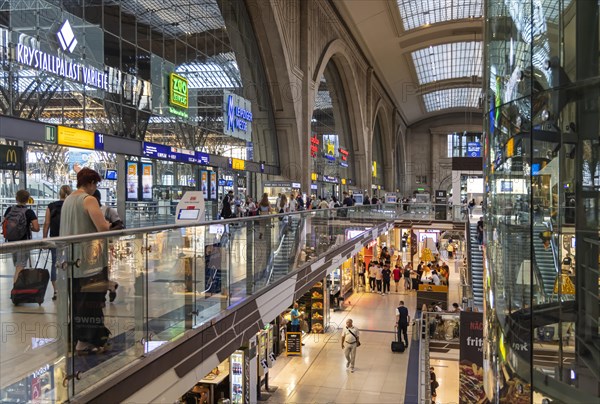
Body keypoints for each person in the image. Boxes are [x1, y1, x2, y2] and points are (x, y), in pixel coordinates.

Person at [60, 168, 111, 354]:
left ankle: (78, 338)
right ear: (90, 183)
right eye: (95, 183)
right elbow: (103, 227)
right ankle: (86, 340)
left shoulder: (68, 200)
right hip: (90, 261)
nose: (94, 187)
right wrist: (112, 225)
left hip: (71, 261)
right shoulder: (89, 200)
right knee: (93, 302)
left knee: (77, 302)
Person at [3, 189, 40, 283]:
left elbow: (4, 223)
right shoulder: (29, 212)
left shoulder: (9, 210)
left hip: (11, 241)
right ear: (28, 199)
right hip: (24, 242)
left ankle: (17, 289)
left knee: (17, 266)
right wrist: (28, 228)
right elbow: (36, 228)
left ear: (16, 198)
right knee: (20, 268)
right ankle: (16, 291)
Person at [43, 185, 72, 300]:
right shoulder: (71, 206)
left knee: (55, 263)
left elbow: (46, 223)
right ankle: (67, 287)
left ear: (59, 193)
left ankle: (56, 290)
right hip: (69, 239)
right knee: (69, 262)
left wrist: (44, 238)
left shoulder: (51, 206)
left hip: (54, 239)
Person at [92, 190, 121, 303]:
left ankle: (102, 295)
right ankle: (110, 286)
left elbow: (119, 225)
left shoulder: (108, 211)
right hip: (91, 246)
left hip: (105, 246)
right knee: (96, 271)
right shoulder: (86, 211)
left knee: (103, 270)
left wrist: (107, 232)